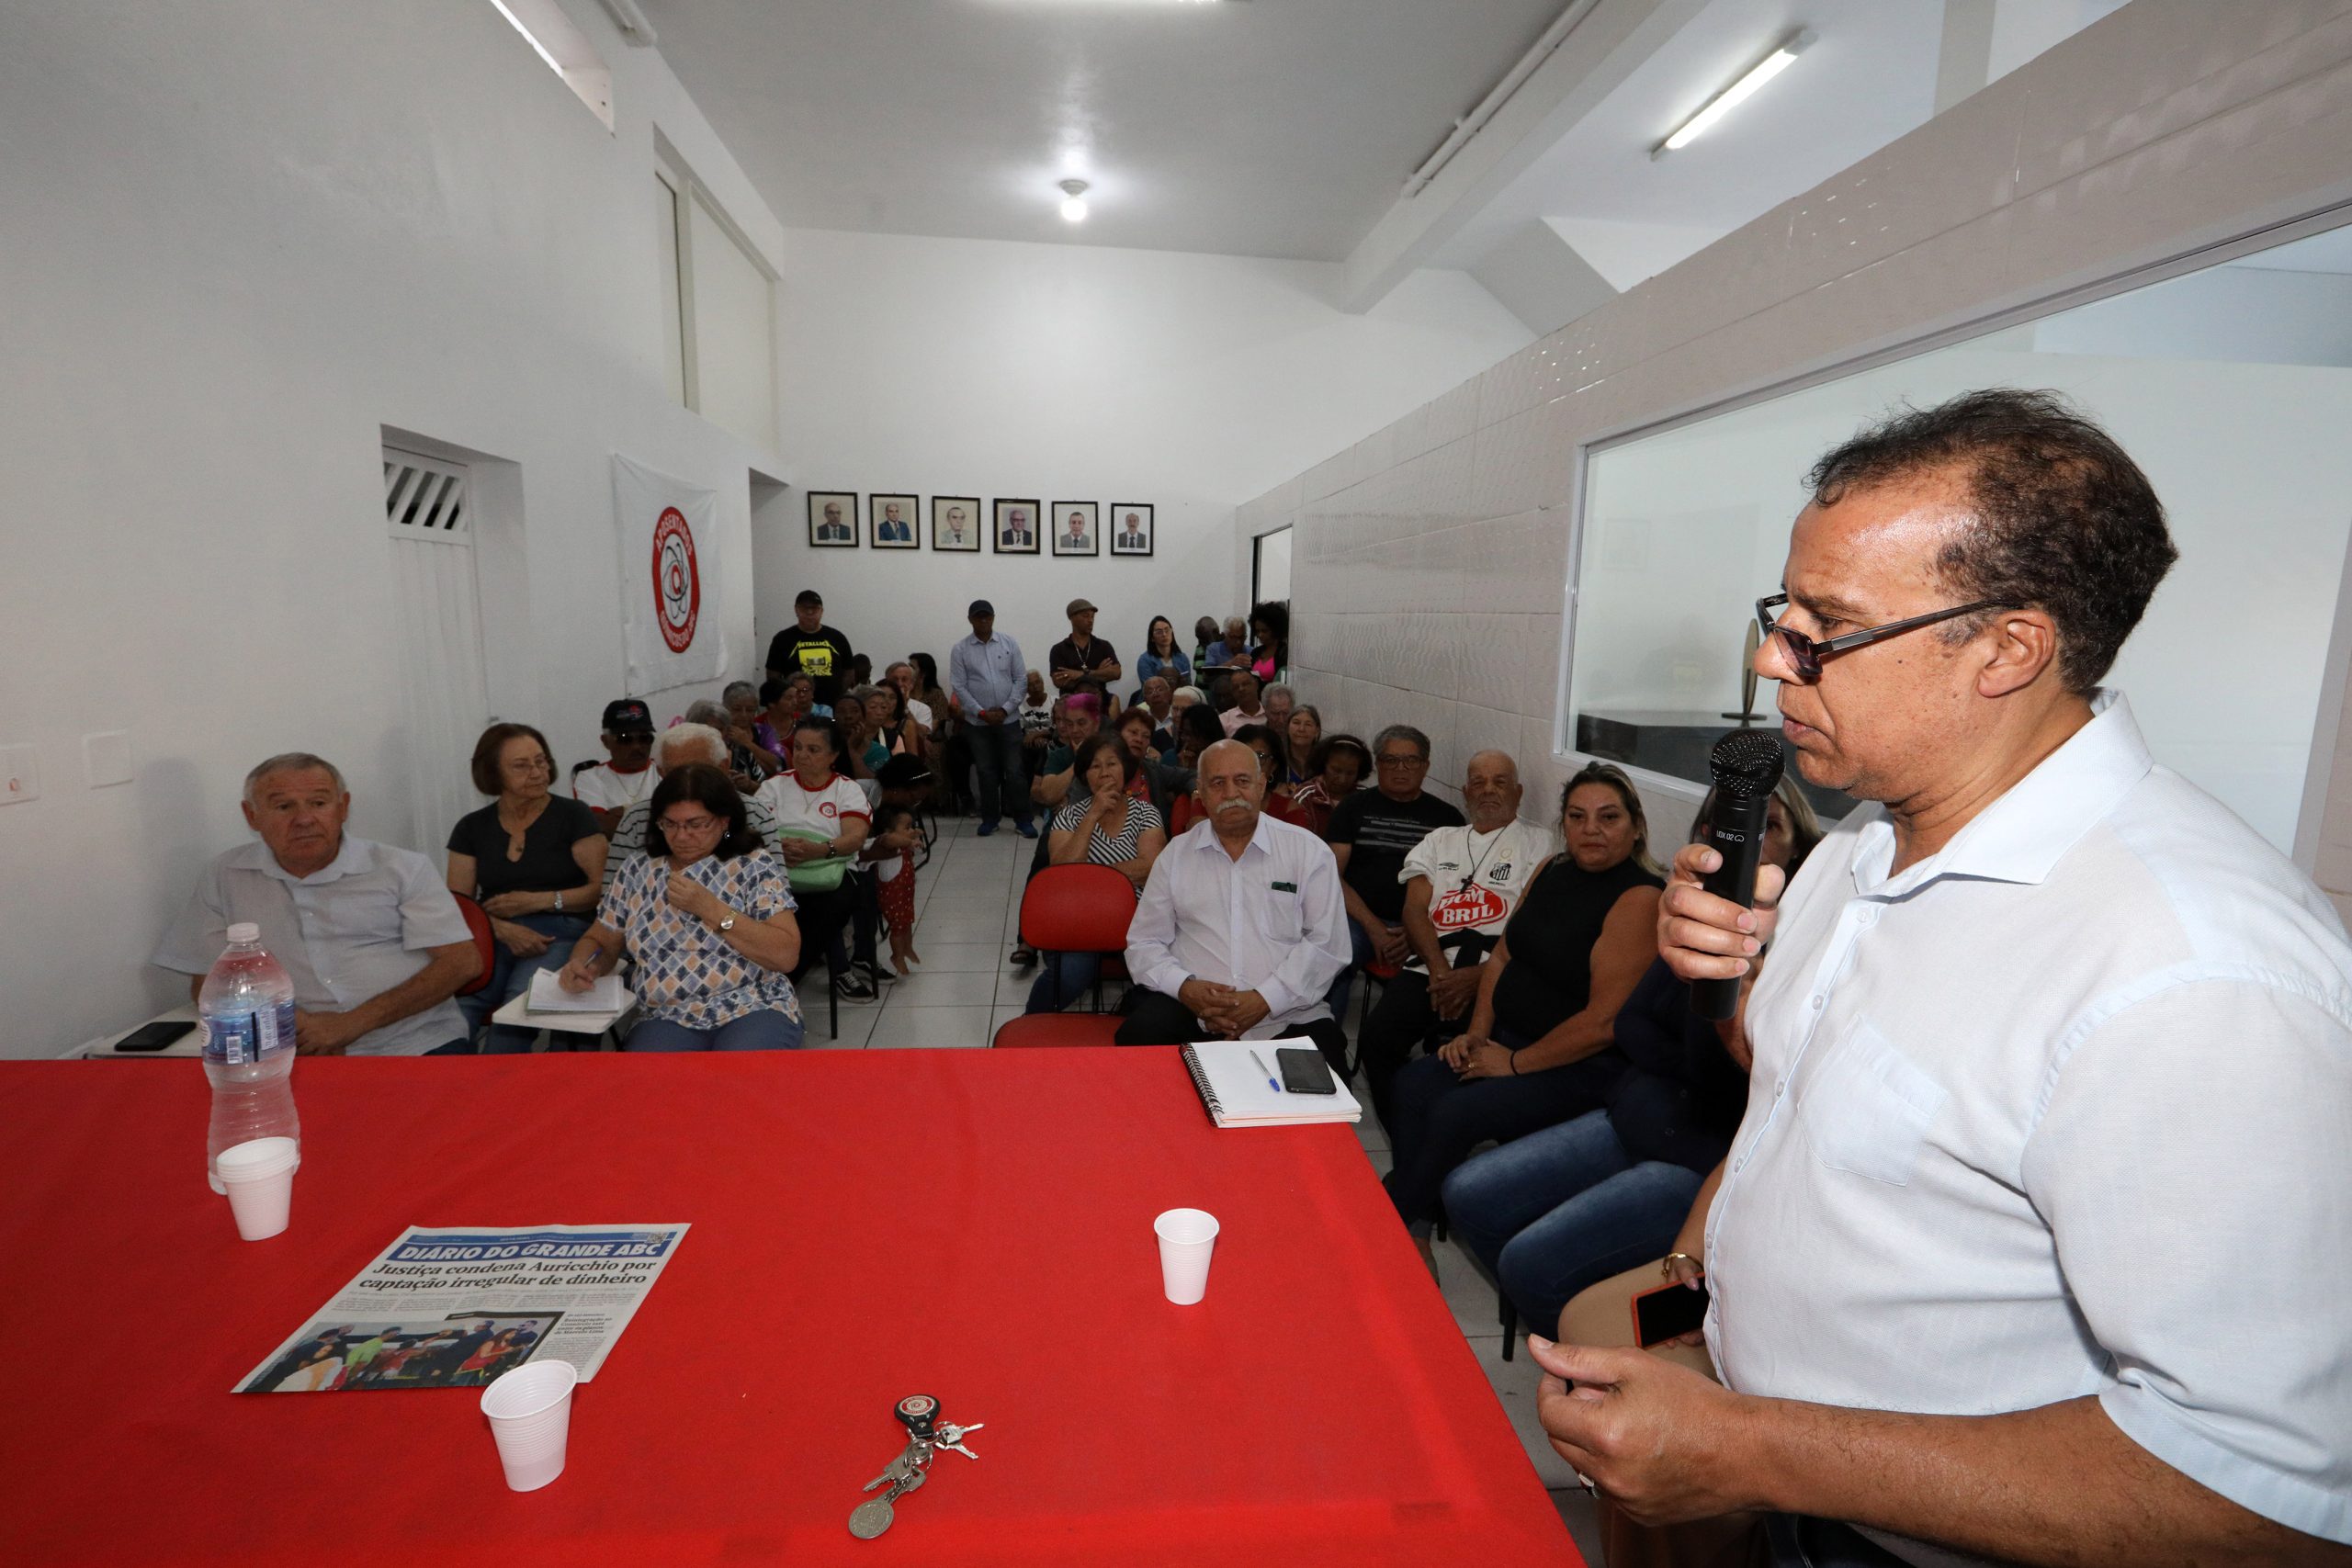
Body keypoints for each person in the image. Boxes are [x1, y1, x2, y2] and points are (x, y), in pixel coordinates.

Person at [1534, 389, 2352, 1567]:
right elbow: (1810, 1103)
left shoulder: (2194, 979)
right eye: (1781, 610)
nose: (1771, 660)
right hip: (1781, 1473)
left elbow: (2271, 1493)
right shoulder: (1861, 849)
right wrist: (1722, 987)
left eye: (1826, 627)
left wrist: (1752, 1451)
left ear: (2008, 649)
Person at [1442, 778, 1818, 1339]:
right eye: (1727, 828)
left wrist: (1697, 1056)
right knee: (1466, 1193)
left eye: (1769, 828)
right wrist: (1692, 1064)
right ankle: (1575, 1317)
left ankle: (1596, 1362)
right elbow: (1632, 1024)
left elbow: (1753, 1077)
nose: (1747, 843)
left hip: (1699, 1159)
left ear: (1800, 849)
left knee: (1531, 1261)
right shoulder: (1693, 918)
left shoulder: (1805, 945)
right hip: (1633, 1115)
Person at [1381, 762, 1663, 1241]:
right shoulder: (1551, 869)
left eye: (1609, 817)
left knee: (1457, 1112)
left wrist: (1512, 1064)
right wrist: (1476, 1035)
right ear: (1564, 826)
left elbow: (1602, 1023)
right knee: (1412, 1085)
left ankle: (1384, 1222)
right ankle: (1417, 1221)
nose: (1591, 829)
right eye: (1577, 817)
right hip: (1506, 1042)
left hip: (1580, 1067)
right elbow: (1503, 957)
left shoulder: (1639, 898)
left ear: (1636, 828)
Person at [153, 752, 478, 1056]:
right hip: (287, 1047)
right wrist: (283, 1022)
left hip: (412, 1043)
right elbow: (207, 982)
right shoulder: (225, 876)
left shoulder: (403, 868)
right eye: (284, 807)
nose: (304, 819)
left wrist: (349, 1024)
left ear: (343, 807)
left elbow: (461, 963)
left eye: (319, 803)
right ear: (252, 816)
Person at [1356, 750, 1557, 1134]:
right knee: (1376, 1040)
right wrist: (1440, 972)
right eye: (1478, 782)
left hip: (1498, 971)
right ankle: (1406, 1135)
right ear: (1465, 792)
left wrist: (1478, 976)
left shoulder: (1539, 843)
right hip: (1433, 968)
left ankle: (1457, 1135)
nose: (1488, 790)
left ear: (1518, 792)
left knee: (1482, 1054)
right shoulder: (1440, 840)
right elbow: (1415, 910)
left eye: (1500, 782)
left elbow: (1530, 922)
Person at [1116, 739, 1351, 1060]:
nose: (1230, 793)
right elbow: (1144, 943)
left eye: (1242, 781)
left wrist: (1264, 999)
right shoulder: (1176, 855)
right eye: (1217, 783)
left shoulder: (1308, 852)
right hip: (1192, 1008)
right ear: (1200, 791)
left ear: (1260, 785)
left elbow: (1328, 945)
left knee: (1325, 1090)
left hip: (1288, 1013)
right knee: (1136, 1047)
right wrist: (1186, 989)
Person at [558, 762, 804, 1051]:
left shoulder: (752, 865)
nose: (681, 836)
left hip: (750, 1004)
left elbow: (786, 955)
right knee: (653, 1084)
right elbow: (601, 939)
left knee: (740, 1076)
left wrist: (711, 909)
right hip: (665, 1014)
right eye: (670, 824)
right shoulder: (638, 870)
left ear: (724, 821)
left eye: (696, 824)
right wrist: (586, 964)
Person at [446, 723, 606, 1053]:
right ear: (493, 774)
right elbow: (458, 904)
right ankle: (454, 1096)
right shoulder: (471, 827)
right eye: (521, 765)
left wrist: (537, 902)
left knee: (515, 1016)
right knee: (454, 1017)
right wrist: (503, 930)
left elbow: (598, 892)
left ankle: (500, 1097)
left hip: (561, 932)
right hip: (493, 934)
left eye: (541, 761)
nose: (537, 772)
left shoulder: (574, 816)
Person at [1325, 725, 1464, 1020]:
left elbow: (1457, 889)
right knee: (1331, 962)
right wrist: (1374, 928)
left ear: (1425, 766)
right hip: (1358, 919)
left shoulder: (1448, 819)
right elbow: (1331, 876)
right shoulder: (1353, 807)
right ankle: (1324, 1046)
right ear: (1377, 765)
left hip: (1424, 924)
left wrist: (1416, 933)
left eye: (1411, 761)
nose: (1400, 769)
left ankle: (1402, 1048)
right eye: (1390, 760)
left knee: (1448, 966)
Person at [1025, 734, 1168, 1014]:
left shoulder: (1146, 813)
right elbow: (1064, 872)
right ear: (1084, 775)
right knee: (1071, 974)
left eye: (1111, 764)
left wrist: (1092, 878)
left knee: (1160, 977)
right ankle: (1031, 1021)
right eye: (1094, 766)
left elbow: (1151, 867)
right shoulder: (1069, 816)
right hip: (1079, 917)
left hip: (1138, 918)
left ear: (1125, 769)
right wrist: (1093, 815)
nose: (1104, 773)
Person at [756, 716, 877, 998]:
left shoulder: (846, 790)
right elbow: (750, 834)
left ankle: (784, 980)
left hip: (831, 874)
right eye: (798, 748)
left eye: (813, 750)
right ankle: (775, 978)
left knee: (826, 911)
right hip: (779, 873)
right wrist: (777, 846)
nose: (802, 756)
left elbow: (855, 838)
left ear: (834, 755)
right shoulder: (773, 787)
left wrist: (821, 850)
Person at [603, 723, 785, 901]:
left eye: (698, 771)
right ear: (661, 772)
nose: (687, 780)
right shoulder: (637, 819)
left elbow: (777, 900)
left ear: (723, 767)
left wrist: (718, 916)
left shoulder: (755, 814)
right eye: (675, 772)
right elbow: (611, 897)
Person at [948, 599, 1032, 839]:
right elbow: (959, 686)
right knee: (986, 772)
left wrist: (1005, 710)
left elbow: (1021, 680)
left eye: (987, 616)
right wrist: (982, 712)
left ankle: (1023, 819)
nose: (984, 620)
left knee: (1015, 771)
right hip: (978, 722)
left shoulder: (1009, 643)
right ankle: (990, 819)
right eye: (979, 617)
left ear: (993, 618)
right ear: (970, 620)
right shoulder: (960, 649)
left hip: (1009, 719)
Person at [572, 699, 659, 834]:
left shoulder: (665, 771)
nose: (636, 746)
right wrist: (656, 816)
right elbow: (600, 827)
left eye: (644, 737)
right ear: (605, 741)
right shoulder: (589, 777)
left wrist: (624, 814)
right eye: (625, 738)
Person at [763, 589, 854, 709]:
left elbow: (849, 672)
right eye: (804, 608)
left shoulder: (837, 637)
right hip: (795, 707)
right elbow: (773, 675)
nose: (810, 612)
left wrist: (837, 693)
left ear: (822, 611)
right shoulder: (782, 639)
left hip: (831, 706)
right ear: (796, 610)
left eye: (815, 608)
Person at [1115, 705, 1196, 820]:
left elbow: (1191, 775)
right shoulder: (1101, 770)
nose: (1139, 739)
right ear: (1117, 734)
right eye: (1133, 732)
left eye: (1146, 736)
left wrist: (1196, 794)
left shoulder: (1153, 770)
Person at [1287, 734, 1369, 838]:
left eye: (1350, 773)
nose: (1342, 779)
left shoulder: (1365, 798)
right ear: (1323, 765)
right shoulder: (1306, 796)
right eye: (1336, 770)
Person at [684, 698, 767, 789]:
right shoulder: (683, 754)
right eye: (710, 729)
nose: (715, 734)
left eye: (720, 729)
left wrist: (749, 785)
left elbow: (766, 791)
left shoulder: (741, 751)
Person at [1048, 598, 1123, 694]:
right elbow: (1059, 681)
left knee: (1114, 700)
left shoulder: (1103, 646)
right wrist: (1099, 674)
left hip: (1099, 701)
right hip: (1071, 703)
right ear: (1072, 618)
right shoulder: (1059, 649)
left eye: (1092, 617)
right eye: (1085, 616)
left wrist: (1081, 674)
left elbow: (1116, 673)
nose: (1090, 620)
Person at [723, 682, 784, 776]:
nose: (744, 715)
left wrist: (747, 743)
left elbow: (779, 766)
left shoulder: (766, 732)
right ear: (725, 708)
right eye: (737, 709)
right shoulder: (719, 732)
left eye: (750, 710)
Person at [1136, 616, 1191, 694]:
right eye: (1159, 632)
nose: (1164, 634)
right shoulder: (1145, 660)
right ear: (1152, 638)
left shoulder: (1182, 658)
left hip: (1180, 700)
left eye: (1167, 630)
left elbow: (1188, 686)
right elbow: (1151, 690)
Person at [884, 661, 933, 739]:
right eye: (895, 680)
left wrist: (905, 707)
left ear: (912, 684)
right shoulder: (878, 705)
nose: (899, 684)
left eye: (904, 680)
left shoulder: (923, 708)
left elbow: (922, 735)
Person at [1171, 702, 1224, 773]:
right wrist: (1182, 769)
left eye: (1189, 734)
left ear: (1206, 734)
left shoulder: (1225, 759)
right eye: (1182, 732)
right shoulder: (1172, 757)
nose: (1183, 737)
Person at [1218, 671, 1270, 736]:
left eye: (1245, 684)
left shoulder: (1271, 714)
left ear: (1256, 684)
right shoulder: (1224, 720)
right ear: (1232, 692)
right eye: (1236, 687)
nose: (1241, 689)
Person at [1248, 601, 1288, 684]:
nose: (1260, 635)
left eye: (1264, 631)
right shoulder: (1255, 652)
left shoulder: (1284, 653)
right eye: (1257, 631)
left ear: (1275, 630)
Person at [1139, 675, 1179, 753]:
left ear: (1170, 694)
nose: (1155, 695)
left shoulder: (1179, 717)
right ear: (1145, 700)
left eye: (1160, 690)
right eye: (1150, 692)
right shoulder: (1142, 721)